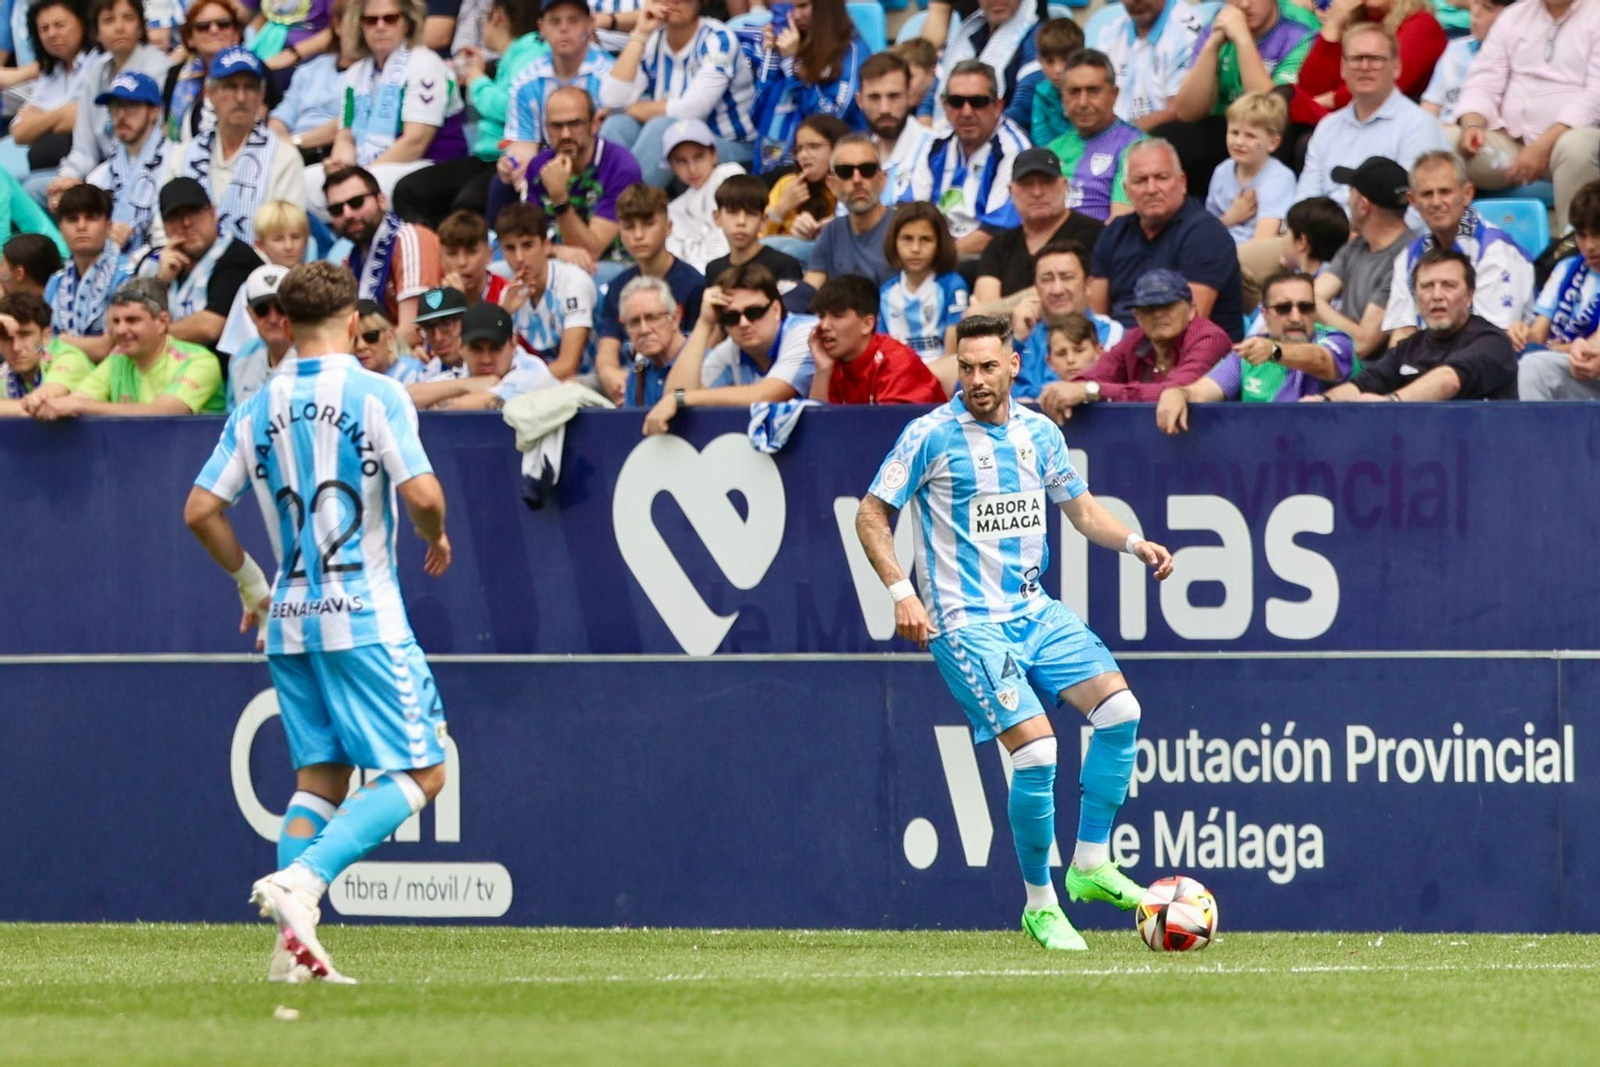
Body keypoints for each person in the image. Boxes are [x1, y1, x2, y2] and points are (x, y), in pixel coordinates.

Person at [855, 311, 1173, 952]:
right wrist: (900, 591)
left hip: (1035, 610)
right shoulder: (930, 435)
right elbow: (870, 514)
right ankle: (1040, 904)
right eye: (965, 367)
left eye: (987, 366)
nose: (975, 378)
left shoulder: (1040, 433)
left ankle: (1089, 865)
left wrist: (1135, 543)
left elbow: (1081, 511)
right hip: (966, 623)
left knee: (1120, 711)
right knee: (1037, 752)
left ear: (1012, 364)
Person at [183, 260, 453, 985]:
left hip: (291, 617)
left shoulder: (257, 405)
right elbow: (422, 493)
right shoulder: (376, 393)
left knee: (320, 778)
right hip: (363, 612)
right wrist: (434, 533)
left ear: (284, 322)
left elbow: (201, 510)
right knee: (426, 767)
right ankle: (303, 880)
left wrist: (252, 585)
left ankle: (290, 953)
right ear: (351, 319)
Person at [1448, 0, 1600, 235]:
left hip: (1566, 145)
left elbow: (1595, 97)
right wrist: (1472, 122)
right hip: (1510, 148)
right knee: (1445, 138)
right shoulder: (1515, 15)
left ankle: (1573, 247)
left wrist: (1542, 146)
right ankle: (1449, 244)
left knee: (1578, 146)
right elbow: (1483, 79)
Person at [390, 0, 541, 228]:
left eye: (484, 19)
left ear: (498, 15)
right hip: (486, 157)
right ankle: (430, 256)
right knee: (408, 191)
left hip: (509, 160)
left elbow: (510, 107)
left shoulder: (532, 49)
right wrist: (480, 70)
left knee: (467, 206)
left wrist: (476, 78)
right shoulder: (512, 55)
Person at [311, 0, 467, 211]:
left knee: (359, 191)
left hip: (428, 166)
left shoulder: (426, 65)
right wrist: (341, 165)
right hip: (368, 168)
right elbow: (345, 136)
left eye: (390, 19)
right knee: (304, 183)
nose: (380, 26)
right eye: (371, 20)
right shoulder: (356, 73)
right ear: (361, 26)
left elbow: (414, 143)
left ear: (408, 23)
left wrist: (359, 176)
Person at [1156, 270, 1354, 430]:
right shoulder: (1251, 351)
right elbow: (1203, 391)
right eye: (1284, 308)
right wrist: (1177, 394)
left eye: (1305, 307)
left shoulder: (1335, 339)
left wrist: (1274, 351)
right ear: (1265, 315)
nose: (1296, 317)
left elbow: (1322, 360)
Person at [1090, 138, 1244, 340]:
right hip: (1117, 348)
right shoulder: (1113, 232)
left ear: (1182, 183)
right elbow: (1097, 318)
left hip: (1191, 354)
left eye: (1161, 177)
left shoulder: (1207, 234)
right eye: (1140, 180)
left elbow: (1187, 324)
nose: (1151, 189)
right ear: (1126, 190)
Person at [1163, 0, 1317, 199]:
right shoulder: (1219, 23)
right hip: (1230, 128)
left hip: (1278, 136)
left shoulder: (1301, 31)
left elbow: (1271, 112)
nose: (1244, 4)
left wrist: (1243, 40)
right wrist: (1212, 45)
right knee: (1169, 137)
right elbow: (1187, 112)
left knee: (1275, 135)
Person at [1293, 22, 1449, 217]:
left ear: (1396, 67)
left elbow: (1416, 211)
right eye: (1356, 59)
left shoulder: (1419, 126)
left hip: (1387, 241)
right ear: (1343, 68)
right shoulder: (1327, 128)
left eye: (1375, 59)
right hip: (1323, 236)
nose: (1365, 67)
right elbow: (1304, 201)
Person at [1318, 247, 1516, 400]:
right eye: (1427, 286)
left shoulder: (1493, 342)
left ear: (1469, 296)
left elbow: (1448, 381)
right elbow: (1365, 384)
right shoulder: (1409, 347)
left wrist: (1391, 403)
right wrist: (1325, 401)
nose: (1437, 296)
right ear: (1416, 296)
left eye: (1449, 285)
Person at [597, 0, 757, 189]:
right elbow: (611, 99)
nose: (674, 1)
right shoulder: (654, 38)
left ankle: (624, 211)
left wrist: (629, 107)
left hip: (731, 146)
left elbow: (691, 110)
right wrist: (639, 35)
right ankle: (603, 202)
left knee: (664, 127)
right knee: (618, 124)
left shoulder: (719, 39)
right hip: (681, 145)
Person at [642, 260, 815, 434]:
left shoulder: (805, 334)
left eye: (754, 312)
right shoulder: (731, 350)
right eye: (731, 317)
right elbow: (674, 394)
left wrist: (680, 399)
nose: (744, 323)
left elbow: (765, 396)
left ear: (776, 309)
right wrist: (704, 323)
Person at [161, 47, 309, 247]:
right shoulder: (182, 155)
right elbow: (161, 228)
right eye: (230, 87)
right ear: (210, 93)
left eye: (249, 88)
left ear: (261, 94)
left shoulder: (284, 157)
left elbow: (289, 238)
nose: (240, 98)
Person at [1382, 150, 1532, 343]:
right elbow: (1402, 334)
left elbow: (1492, 341)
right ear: (1413, 201)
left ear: (1467, 194)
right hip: (1426, 361)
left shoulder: (1496, 251)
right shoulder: (1408, 256)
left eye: (1445, 192)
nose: (1436, 202)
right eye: (1427, 194)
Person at [494, 86, 642, 282]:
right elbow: (527, 236)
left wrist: (559, 198)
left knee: (573, 279)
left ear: (595, 124)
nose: (565, 134)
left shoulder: (621, 166)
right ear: (546, 129)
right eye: (556, 126)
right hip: (553, 260)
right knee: (493, 275)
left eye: (574, 124)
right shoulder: (539, 166)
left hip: (610, 266)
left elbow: (592, 250)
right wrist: (555, 251)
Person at [1039, 268, 1230, 419]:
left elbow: (1172, 393)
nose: (1157, 314)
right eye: (1148, 308)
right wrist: (1065, 392)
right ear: (1137, 316)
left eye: (1168, 305)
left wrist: (1090, 391)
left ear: (1191, 310)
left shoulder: (1208, 338)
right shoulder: (1135, 338)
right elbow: (1095, 376)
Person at [24, 276, 223, 417]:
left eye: (132, 320)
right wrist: (44, 401)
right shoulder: (118, 358)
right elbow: (78, 398)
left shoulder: (199, 361)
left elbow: (162, 413)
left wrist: (78, 406)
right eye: (115, 321)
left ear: (162, 322)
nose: (120, 330)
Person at [48, 0, 169, 210]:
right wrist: (67, 178)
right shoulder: (94, 73)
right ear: (97, 32)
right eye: (109, 20)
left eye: (128, 18)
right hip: (99, 172)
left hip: (147, 171)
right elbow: (83, 149)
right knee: (44, 190)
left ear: (141, 27)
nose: (119, 27)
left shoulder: (160, 69)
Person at [594, 183, 706, 400]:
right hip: (629, 377)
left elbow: (701, 353)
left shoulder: (694, 284)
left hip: (675, 381)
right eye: (628, 227)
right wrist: (610, 373)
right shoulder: (618, 286)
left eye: (648, 225)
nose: (638, 235)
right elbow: (608, 346)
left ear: (668, 227)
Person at [911, 59, 1030, 256]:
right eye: (957, 102)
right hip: (933, 252)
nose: (966, 112)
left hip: (987, 260)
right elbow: (911, 211)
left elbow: (997, 233)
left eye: (978, 102)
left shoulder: (1015, 151)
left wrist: (937, 258)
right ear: (944, 105)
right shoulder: (934, 145)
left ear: (998, 106)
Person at [970, 146, 1104, 313]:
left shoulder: (1095, 234)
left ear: (1064, 185)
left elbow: (1080, 297)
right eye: (1026, 184)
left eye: (1046, 182)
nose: (1037, 192)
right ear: (1011, 191)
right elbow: (982, 313)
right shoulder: (1000, 245)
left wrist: (993, 308)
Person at [325, 165, 442, 347]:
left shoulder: (410, 239)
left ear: (381, 200)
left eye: (356, 202)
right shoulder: (351, 260)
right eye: (337, 209)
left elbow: (412, 332)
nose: (347, 214)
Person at [147, 177, 268, 349]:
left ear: (213, 213)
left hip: (224, 368)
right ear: (165, 227)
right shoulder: (158, 261)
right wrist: (160, 281)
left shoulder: (238, 257)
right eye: (175, 217)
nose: (186, 223)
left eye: (194, 212)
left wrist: (148, 337)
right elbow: (128, 315)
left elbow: (209, 328)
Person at [751, 0, 867, 173]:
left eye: (803, 6)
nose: (796, 16)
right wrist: (772, 57)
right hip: (772, 165)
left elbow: (831, 119)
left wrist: (793, 66)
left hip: (830, 168)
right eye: (791, 8)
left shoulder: (852, 52)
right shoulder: (789, 45)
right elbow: (756, 114)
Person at [1315, 156, 1413, 358]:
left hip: (1364, 374)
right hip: (1333, 355)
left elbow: (1363, 343)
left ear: (1363, 206)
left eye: (1351, 193)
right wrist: (1309, 300)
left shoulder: (1408, 258)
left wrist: (1311, 303)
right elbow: (1310, 296)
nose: (1348, 200)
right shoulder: (1357, 245)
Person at [1292, 0, 1445, 127]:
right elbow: (1310, 88)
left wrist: (1324, 101)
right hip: (1343, 120)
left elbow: (1383, 85)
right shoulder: (1353, 21)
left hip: (1392, 124)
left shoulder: (1422, 24)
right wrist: (1332, 25)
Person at [1514, 182, 1600, 399]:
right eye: (1582, 235)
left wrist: (1542, 349)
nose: (1590, 246)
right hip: (1562, 366)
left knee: (1534, 367)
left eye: (1597, 234)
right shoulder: (1566, 268)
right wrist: (1521, 335)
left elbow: (1594, 346)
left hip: (1592, 374)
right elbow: (1538, 334)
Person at [1010, 239, 1124, 398]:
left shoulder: (1113, 333)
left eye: (1067, 277)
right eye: (1047, 279)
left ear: (1088, 284)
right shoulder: (1024, 338)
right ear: (1036, 288)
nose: (1057, 289)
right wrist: (1017, 339)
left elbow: (1116, 389)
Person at [494, 201, 597, 378]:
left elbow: (567, 366)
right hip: (536, 386)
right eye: (510, 248)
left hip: (586, 382)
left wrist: (515, 387)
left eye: (527, 245)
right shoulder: (509, 294)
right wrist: (504, 313)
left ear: (546, 245)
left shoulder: (573, 282)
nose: (519, 258)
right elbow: (497, 363)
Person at [501, 0, 611, 163]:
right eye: (555, 21)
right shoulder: (526, 80)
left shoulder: (610, 77)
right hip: (545, 167)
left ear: (590, 24)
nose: (564, 28)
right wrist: (514, 167)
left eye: (573, 20)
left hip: (599, 169)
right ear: (541, 28)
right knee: (499, 185)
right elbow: (523, 145)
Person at [0, 0, 91, 195]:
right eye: (44, 28)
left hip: (84, 163)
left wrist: (40, 120)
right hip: (45, 161)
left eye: (60, 25)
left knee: (29, 188)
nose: (52, 34)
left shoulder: (97, 63)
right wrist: (60, 117)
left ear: (81, 23)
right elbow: (19, 132)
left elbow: (81, 115)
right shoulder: (50, 72)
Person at [810, 273, 946, 403]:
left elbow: (891, 425)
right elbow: (818, 423)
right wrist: (822, 370)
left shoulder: (897, 362)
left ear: (867, 324)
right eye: (821, 316)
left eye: (837, 316)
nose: (824, 326)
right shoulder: (832, 364)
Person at [1045, 49, 1142, 224]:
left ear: (1114, 95)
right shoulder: (1052, 149)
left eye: (1093, 91)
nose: (1083, 103)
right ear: (1062, 98)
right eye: (1074, 92)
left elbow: (1120, 224)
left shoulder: (1136, 148)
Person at [412, 301, 560, 409]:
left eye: (495, 348)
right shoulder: (462, 375)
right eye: (476, 349)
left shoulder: (531, 369)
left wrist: (436, 401)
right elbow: (404, 398)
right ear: (461, 347)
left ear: (513, 344)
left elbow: (483, 404)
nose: (486, 359)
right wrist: (466, 385)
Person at [1087, 0, 1208, 132]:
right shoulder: (1109, 32)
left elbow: (1179, 111)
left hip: (1165, 139)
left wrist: (1117, 136)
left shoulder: (1189, 33)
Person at [45, 183, 133, 360]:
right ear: (60, 229)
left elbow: (111, 346)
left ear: (108, 226)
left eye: (91, 218)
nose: (81, 226)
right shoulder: (55, 282)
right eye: (72, 219)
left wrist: (62, 341)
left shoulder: (128, 275)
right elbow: (41, 343)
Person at [85, 70, 166, 256]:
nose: (121, 116)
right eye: (115, 107)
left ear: (154, 112)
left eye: (131, 106)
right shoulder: (98, 178)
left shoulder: (176, 162)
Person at [879, 202, 968, 362]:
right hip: (897, 378)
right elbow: (882, 351)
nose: (915, 248)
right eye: (907, 238)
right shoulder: (886, 292)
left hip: (941, 377)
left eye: (925, 239)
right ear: (894, 242)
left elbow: (952, 355)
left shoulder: (953, 286)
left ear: (940, 244)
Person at [804, 132, 896, 287]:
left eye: (867, 170)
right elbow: (810, 287)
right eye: (845, 171)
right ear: (832, 185)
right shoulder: (832, 231)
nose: (857, 180)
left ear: (882, 179)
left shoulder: (904, 227)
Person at [1205, 91, 1294, 245]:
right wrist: (1230, 218)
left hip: (1251, 260)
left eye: (1250, 136)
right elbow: (1204, 229)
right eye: (1234, 132)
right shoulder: (1222, 171)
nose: (1239, 141)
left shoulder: (1279, 179)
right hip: (1216, 249)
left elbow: (1262, 243)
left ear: (1273, 143)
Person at [932, 0, 1040, 125]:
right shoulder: (969, 33)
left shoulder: (1036, 40)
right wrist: (925, 119)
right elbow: (932, 90)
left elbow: (1023, 108)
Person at [761, 113, 848, 261]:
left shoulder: (851, 182)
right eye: (799, 149)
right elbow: (758, 240)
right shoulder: (788, 184)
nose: (804, 155)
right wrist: (781, 209)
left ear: (837, 147)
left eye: (814, 147)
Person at [664, 119, 744, 273]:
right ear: (672, 166)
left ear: (713, 154)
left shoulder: (728, 175)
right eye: (681, 161)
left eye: (698, 157)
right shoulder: (672, 210)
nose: (692, 168)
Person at [160, 0, 247, 143]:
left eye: (223, 24)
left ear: (236, 33)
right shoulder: (175, 75)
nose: (214, 30)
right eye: (203, 26)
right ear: (189, 39)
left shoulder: (254, 71)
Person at [857, 51, 933, 207]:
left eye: (894, 96)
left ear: (911, 97)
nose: (884, 109)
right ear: (860, 101)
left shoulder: (934, 148)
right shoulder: (856, 155)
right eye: (874, 98)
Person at [0, 291, 93, 414]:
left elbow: (40, 406)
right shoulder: (4, 373)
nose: (16, 347)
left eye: (25, 335)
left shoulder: (69, 358)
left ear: (46, 336)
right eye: (7, 338)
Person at [1420, 0, 1510, 126]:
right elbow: (1431, 105)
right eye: (1474, 3)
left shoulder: (1514, 61)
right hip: (1439, 134)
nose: (1476, 12)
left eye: (1487, 8)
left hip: (1480, 136)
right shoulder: (1456, 49)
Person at [706, 173, 805, 285]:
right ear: (717, 217)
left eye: (751, 213)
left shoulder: (784, 265)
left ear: (763, 221)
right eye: (732, 212)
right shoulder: (713, 270)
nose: (741, 221)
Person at [226, 264, 296, 410]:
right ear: (250, 314)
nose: (273, 319)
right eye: (262, 310)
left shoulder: (312, 354)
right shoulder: (241, 358)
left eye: (281, 308)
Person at [615, 273, 687, 407]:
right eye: (634, 322)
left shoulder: (707, 363)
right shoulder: (637, 373)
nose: (644, 329)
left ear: (676, 317)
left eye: (652, 317)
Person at [1025, 17, 1085, 146]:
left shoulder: (1090, 92)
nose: (1057, 69)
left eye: (1065, 59)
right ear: (1040, 61)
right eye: (1050, 61)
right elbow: (1041, 139)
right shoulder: (1041, 94)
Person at [436, 210, 507, 307]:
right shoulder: (434, 301)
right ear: (441, 259)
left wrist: (460, 302)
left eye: (471, 252)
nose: (462, 262)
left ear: (489, 255)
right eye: (452, 254)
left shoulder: (506, 294)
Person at [353, 298, 427, 382]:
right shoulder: (347, 378)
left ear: (390, 337)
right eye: (353, 340)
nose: (360, 346)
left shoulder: (411, 372)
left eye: (371, 336)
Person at [411, 285, 466, 377]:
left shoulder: (488, 364)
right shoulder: (426, 375)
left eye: (446, 324)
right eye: (428, 328)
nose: (438, 338)